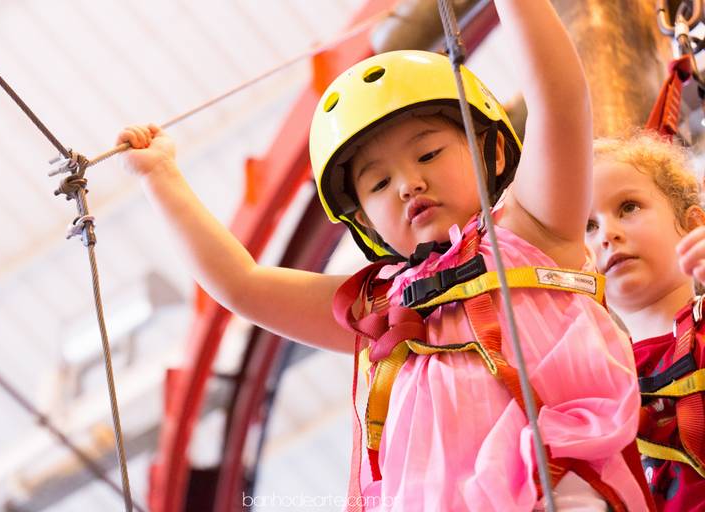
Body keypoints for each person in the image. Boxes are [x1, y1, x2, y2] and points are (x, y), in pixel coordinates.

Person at [119, 1, 650, 509]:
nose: (408, 184)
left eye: (428, 152)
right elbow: (243, 284)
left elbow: (559, 97)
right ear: (363, 220)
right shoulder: (378, 312)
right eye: (378, 182)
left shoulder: (533, 227)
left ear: (489, 148)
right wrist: (161, 177)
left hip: (557, 489)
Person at [587, 130, 705, 511]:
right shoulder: (595, 380)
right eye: (587, 226)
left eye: (628, 207)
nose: (608, 234)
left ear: (691, 224)